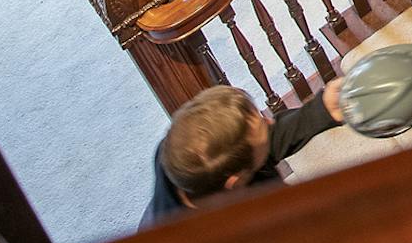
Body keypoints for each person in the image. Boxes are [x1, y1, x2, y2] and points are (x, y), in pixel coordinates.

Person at [141, 80, 341, 226]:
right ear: (238, 182)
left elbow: (270, 138)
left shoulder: (177, 151)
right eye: (264, 125)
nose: (270, 121)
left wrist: (323, 109)